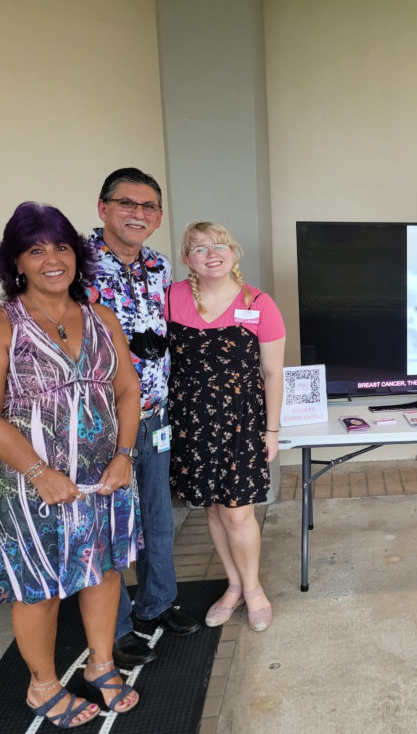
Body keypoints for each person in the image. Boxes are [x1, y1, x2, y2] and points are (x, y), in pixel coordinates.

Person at [0, 202, 143, 727]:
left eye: (61, 246)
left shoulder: (102, 318)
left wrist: (125, 455)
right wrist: (41, 473)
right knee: (38, 588)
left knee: (104, 573)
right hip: (30, 488)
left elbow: (128, 390)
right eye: (35, 250)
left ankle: (101, 665)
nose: (51, 259)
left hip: (104, 479)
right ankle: (42, 686)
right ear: (16, 262)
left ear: (76, 255)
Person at [89, 168, 201, 669]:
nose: (138, 213)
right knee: (111, 528)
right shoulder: (74, 265)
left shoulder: (158, 267)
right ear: (103, 208)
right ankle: (111, 627)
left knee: (158, 519)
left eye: (149, 206)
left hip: (155, 416)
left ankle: (157, 604)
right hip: (100, 424)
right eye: (127, 203)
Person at [166, 221, 284, 632]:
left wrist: (271, 432)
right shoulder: (171, 298)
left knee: (238, 513)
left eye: (220, 245)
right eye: (200, 248)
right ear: (186, 259)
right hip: (191, 423)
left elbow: (272, 374)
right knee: (213, 510)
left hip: (242, 425)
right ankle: (232, 585)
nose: (211, 253)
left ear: (234, 253)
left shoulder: (259, 302)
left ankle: (253, 590)